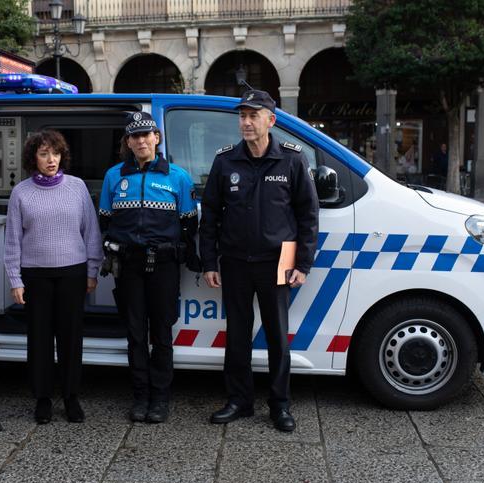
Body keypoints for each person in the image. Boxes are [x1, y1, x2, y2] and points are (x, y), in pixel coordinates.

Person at [199, 89, 319, 433]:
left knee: (277, 336)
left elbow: (308, 215)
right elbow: (211, 214)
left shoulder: (292, 160)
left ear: (271, 120)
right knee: (237, 335)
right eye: (243, 116)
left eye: (254, 115)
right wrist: (210, 262)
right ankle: (239, 400)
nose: (246, 122)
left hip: (276, 262)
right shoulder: (225, 161)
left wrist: (303, 264)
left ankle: (280, 405)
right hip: (235, 261)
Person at [98, 111, 201, 423]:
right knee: (135, 334)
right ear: (128, 142)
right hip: (128, 265)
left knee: (162, 333)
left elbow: (189, 225)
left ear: (157, 138)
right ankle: (141, 396)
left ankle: (160, 399)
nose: (141, 141)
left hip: (164, 266)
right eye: (135, 136)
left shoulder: (178, 177)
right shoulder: (114, 176)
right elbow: (105, 221)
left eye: (146, 135)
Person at [4, 130, 102, 424]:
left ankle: (71, 397)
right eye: (44, 153)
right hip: (35, 276)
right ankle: (43, 398)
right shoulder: (21, 192)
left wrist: (92, 271)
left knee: (71, 338)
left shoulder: (77, 187)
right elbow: (12, 240)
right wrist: (15, 279)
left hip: (73, 272)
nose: (51, 159)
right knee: (39, 338)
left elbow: (91, 232)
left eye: (56, 153)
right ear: (33, 158)